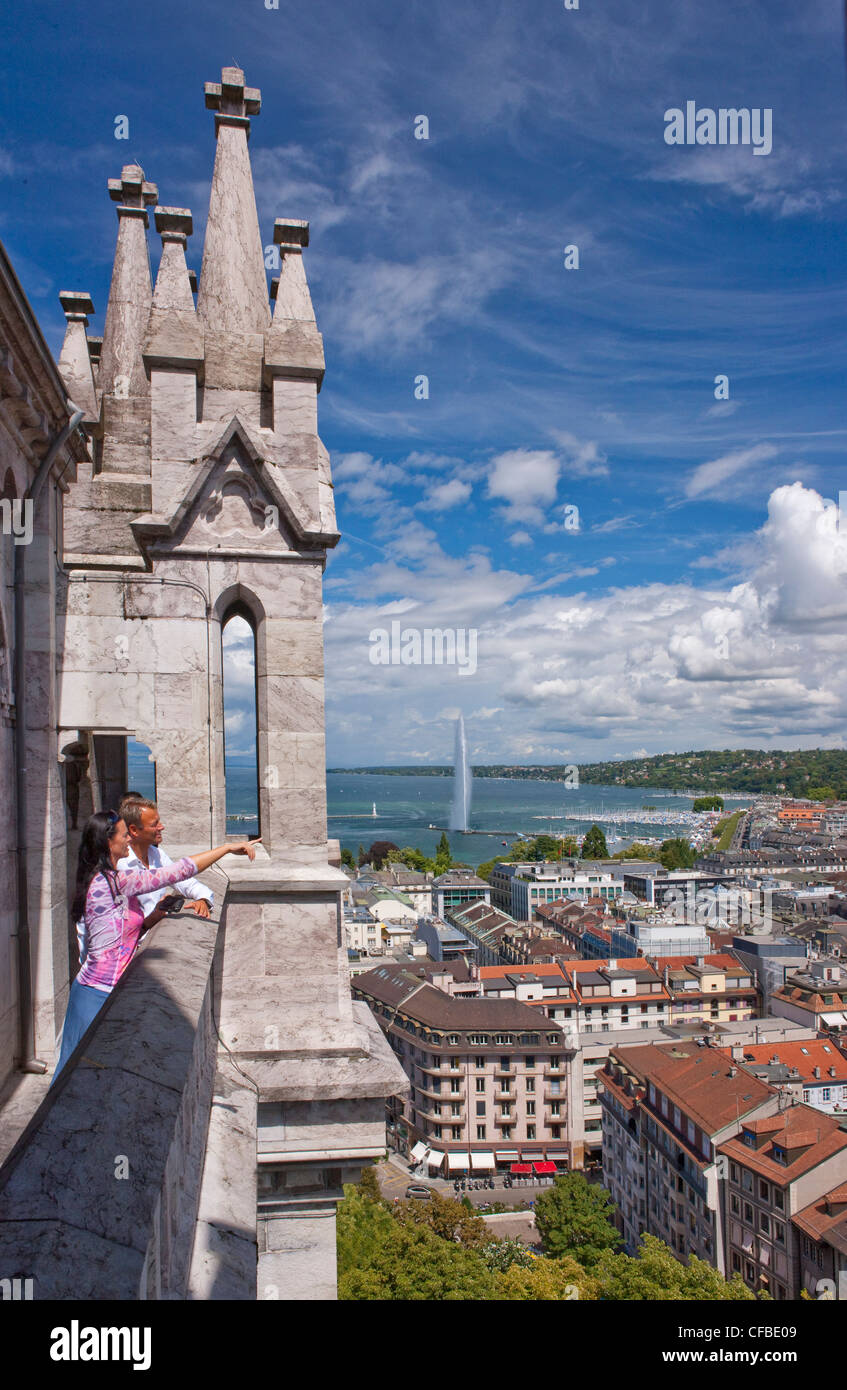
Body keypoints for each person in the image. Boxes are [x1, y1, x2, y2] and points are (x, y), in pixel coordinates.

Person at [53, 810, 259, 1083]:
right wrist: (225, 848)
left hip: (100, 990)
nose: (128, 839)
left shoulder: (108, 879)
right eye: (123, 834)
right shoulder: (112, 883)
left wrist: (156, 915)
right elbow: (176, 871)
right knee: (75, 1080)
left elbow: (120, 935)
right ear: (107, 841)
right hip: (96, 995)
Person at [116, 797, 215, 922]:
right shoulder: (121, 865)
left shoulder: (157, 854)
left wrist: (203, 900)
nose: (161, 827)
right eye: (154, 824)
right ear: (134, 830)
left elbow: (186, 883)